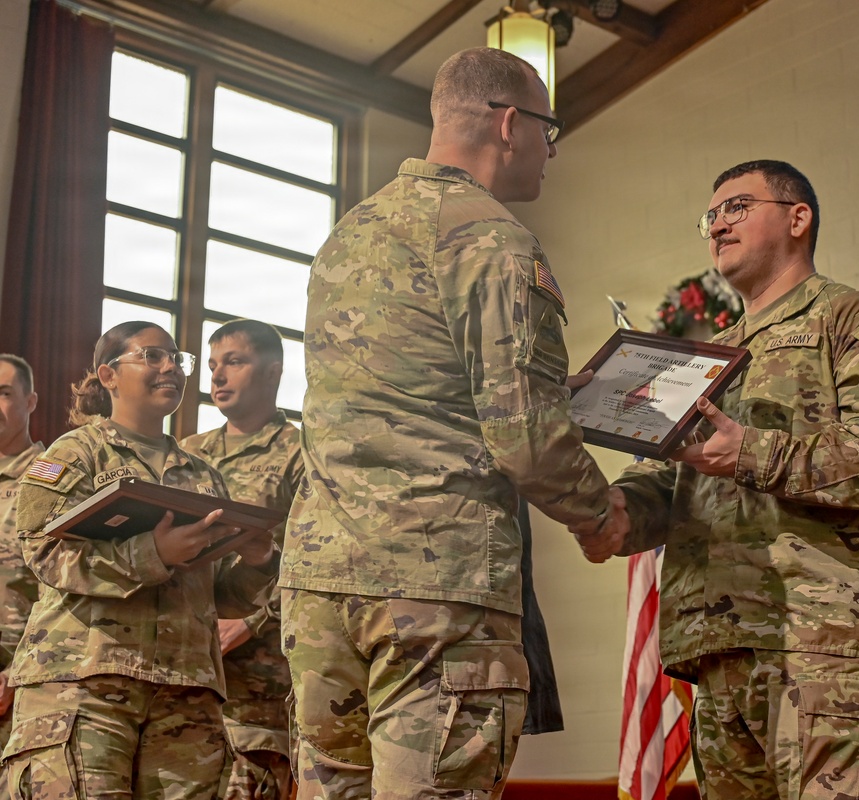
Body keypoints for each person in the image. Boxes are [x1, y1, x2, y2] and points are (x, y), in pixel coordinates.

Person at [279, 46, 626, 799]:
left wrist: (539, 389)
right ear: (509, 123)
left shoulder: (351, 234)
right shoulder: (491, 239)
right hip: (435, 590)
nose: (551, 148)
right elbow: (528, 445)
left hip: (323, 588)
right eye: (548, 128)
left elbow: (400, 388)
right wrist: (605, 516)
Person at [577, 160, 859, 800]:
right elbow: (670, 480)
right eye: (710, 216)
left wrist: (753, 453)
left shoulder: (851, 320)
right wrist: (613, 513)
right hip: (719, 649)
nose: (718, 226)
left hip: (831, 647)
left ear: (798, 218)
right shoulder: (703, 358)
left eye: (737, 207)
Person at [1, 321, 279, 799]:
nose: (170, 366)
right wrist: (153, 553)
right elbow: (44, 551)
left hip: (186, 697)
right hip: (84, 688)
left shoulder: (204, 476)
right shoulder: (75, 454)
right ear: (108, 376)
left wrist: (257, 560)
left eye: (176, 358)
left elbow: (220, 599)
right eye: (151, 356)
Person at [181, 319, 303, 800]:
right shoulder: (189, 454)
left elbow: (309, 562)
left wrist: (251, 621)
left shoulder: (300, 454)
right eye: (212, 365)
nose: (218, 376)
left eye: (234, 361)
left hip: (260, 685)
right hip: (189, 674)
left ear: (273, 372)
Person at [0, 355, 42, 753]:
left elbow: (66, 589)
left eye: (4, 393)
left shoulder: (51, 479)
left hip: (23, 688)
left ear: (30, 402)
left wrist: (17, 671)